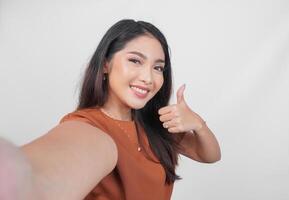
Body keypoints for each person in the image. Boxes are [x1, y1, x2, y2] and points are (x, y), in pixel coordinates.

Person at [0, 19, 221, 200]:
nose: (148, 78)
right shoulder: (88, 128)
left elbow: (211, 155)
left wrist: (198, 124)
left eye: (158, 67)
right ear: (106, 64)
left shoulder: (155, 125)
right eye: (135, 61)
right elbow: (32, 179)